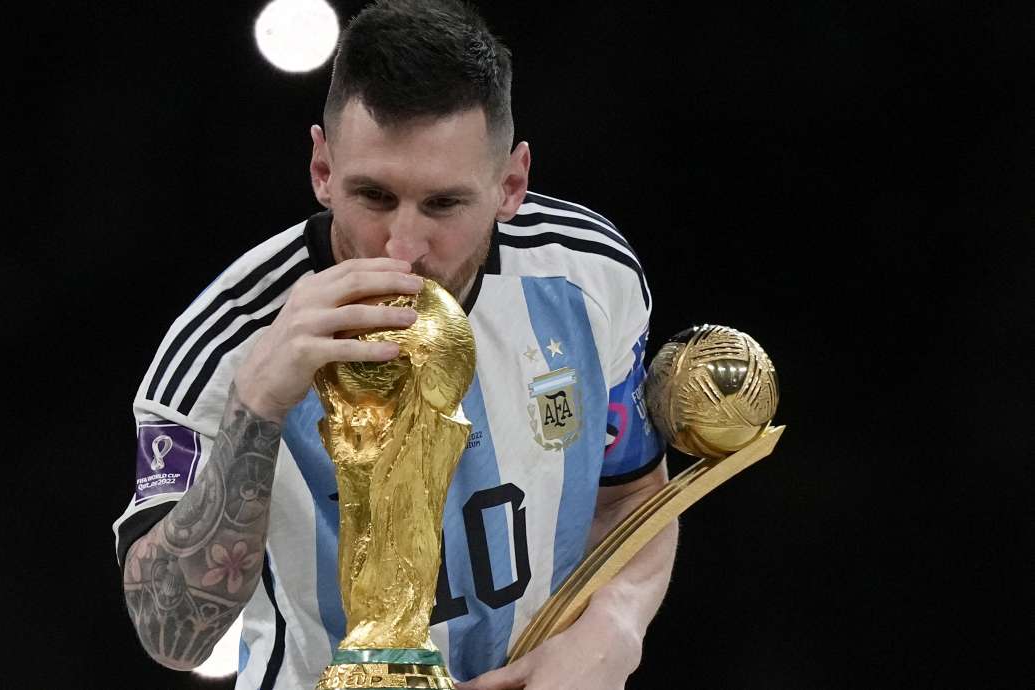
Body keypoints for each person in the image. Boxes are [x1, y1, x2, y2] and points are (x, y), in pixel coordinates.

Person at [112, 1, 676, 687]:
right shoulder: (223, 348)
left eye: (443, 204)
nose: (403, 246)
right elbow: (173, 633)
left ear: (511, 184)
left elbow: (630, 497)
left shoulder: (589, 276)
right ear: (322, 168)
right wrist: (256, 407)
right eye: (374, 196)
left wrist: (617, 624)